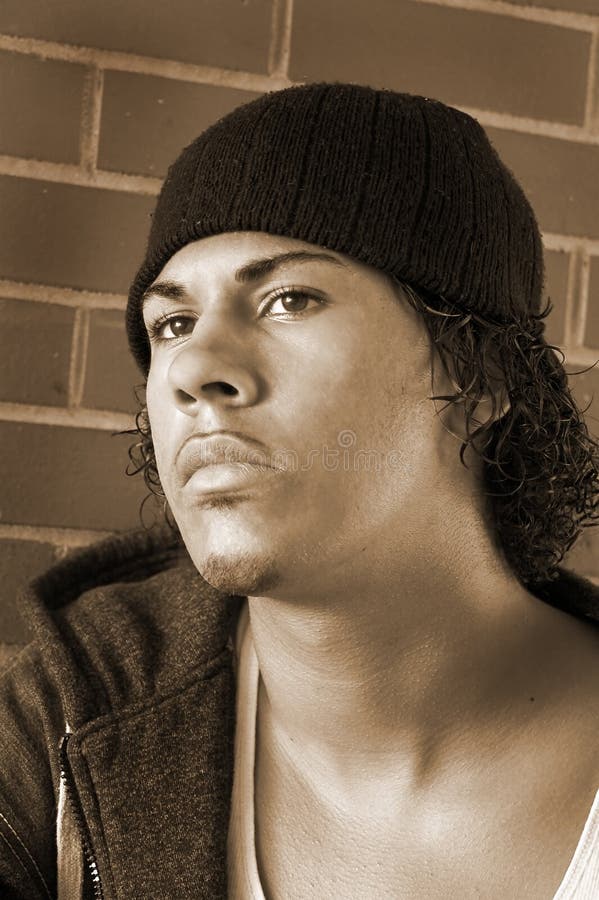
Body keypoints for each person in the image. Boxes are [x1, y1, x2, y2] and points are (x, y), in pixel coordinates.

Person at [1, 82, 599, 900]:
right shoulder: (65, 721)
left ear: (476, 373)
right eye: (171, 324)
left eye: (288, 300)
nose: (194, 371)